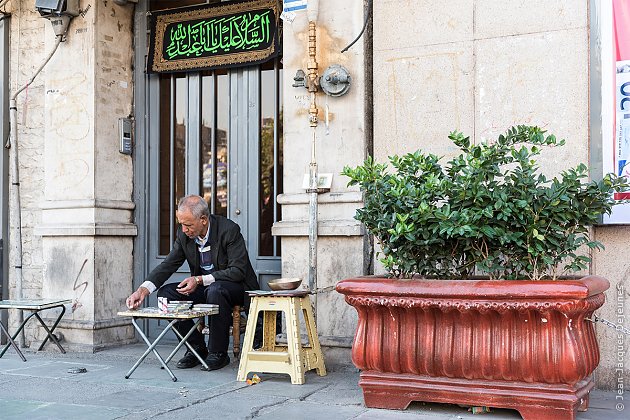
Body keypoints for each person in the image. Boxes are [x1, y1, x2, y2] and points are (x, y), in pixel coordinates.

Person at [126, 194, 259, 371]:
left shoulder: (229, 230)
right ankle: (196, 348)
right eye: (181, 224)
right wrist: (143, 290)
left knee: (216, 290)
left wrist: (199, 279)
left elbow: (238, 271)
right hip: (204, 287)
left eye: (187, 225)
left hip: (235, 286)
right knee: (167, 293)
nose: (184, 229)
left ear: (203, 219)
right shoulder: (184, 235)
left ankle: (218, 353)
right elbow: (168, 264)